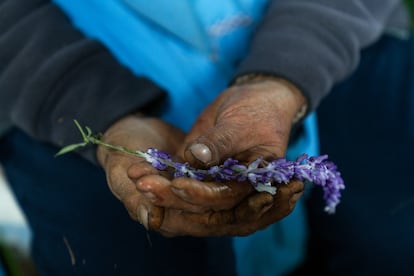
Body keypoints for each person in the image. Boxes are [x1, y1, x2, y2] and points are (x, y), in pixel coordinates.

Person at [0, 0, 410, 276]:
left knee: (393, 239)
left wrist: (280, 80)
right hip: (55, 70)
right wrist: (103, 114)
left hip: (326, 29)